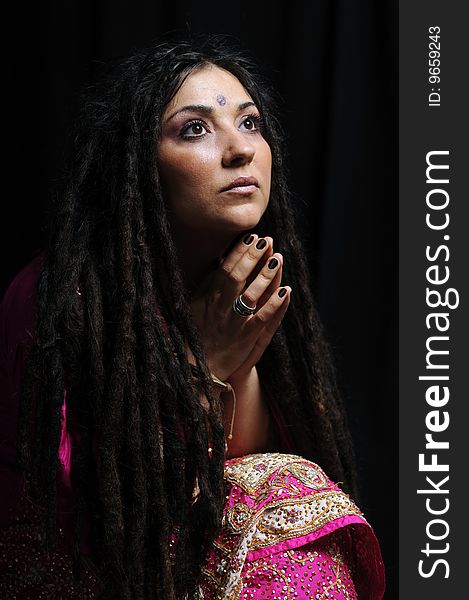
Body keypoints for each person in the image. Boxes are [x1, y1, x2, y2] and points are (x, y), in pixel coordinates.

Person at [0, 35, 385, 599]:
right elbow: (102, 506)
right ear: (137, 166)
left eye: (251, 123)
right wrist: (206, 361)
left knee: (284, 487)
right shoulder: (63, 297)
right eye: (195, 129)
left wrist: (229, 360)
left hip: (165, 547)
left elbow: (240, 464)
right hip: (69, 566)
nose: (240, 149)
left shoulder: (237, 281)